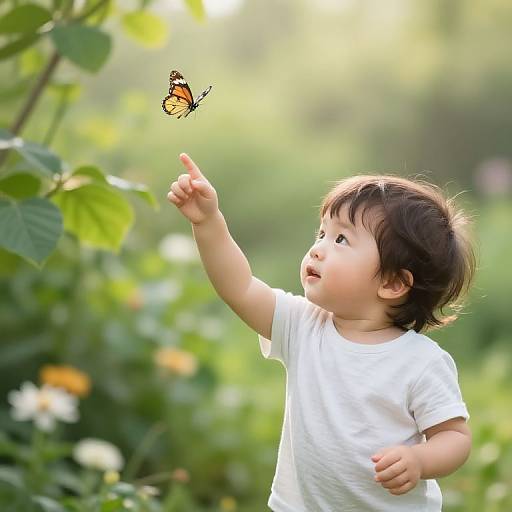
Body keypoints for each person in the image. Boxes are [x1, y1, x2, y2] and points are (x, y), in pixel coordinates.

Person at [167, 152, 476, 512]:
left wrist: (419, 460)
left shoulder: (419, 362)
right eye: (321, 233)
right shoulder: (304, 325)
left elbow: (454, 437)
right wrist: (208, 222)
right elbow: (240, 287)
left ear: (392, 283)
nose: (318, 249)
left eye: (341, 240)